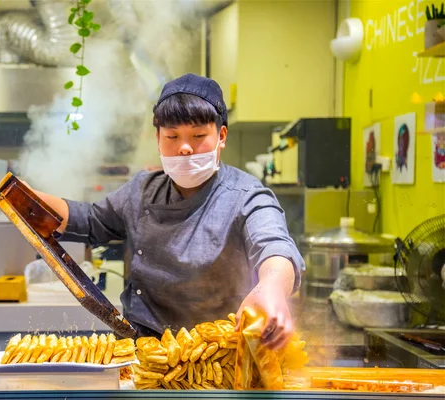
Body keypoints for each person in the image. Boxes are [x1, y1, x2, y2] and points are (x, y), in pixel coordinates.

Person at [32, 74, 304, 350]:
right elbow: (90, 221)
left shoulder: (244, 195)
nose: (184, 148)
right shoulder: (142, 190)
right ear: (158, 138)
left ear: (221, 136)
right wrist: (28, 199)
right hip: (141, 350)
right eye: (172, 136)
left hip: (216, 353)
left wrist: (271, 288)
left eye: (198, 136)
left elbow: (275, 246)